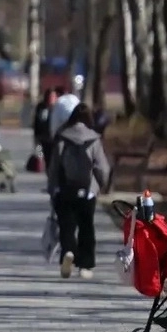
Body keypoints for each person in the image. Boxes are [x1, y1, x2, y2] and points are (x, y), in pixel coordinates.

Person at [48, 104, 110, 279]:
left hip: (64, 189)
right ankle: (86, 265)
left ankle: (68, 251)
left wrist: (53, 188)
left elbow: (54, 166)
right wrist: (100, 185)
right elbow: (102, 167)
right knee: (86, 227)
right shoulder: (94, 139)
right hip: (87, 190)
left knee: (66, 226)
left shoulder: (62, 137)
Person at [32, 88, 58, 170]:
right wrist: (36, 137)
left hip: (55, 138)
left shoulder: (58, 107)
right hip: (44, 137)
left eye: (53, 96)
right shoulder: (41, 107)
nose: (51, 98)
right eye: (50, 96)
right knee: (46, 158)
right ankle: (48, 172)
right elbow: (37, 122)